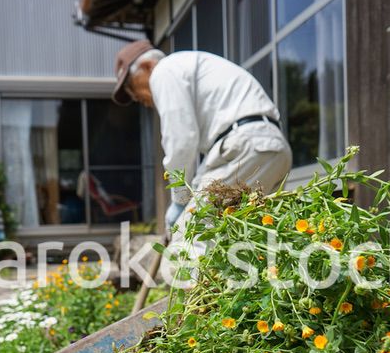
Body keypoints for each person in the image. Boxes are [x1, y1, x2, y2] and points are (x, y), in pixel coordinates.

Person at [112, 40, 292, 235]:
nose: (143, 101)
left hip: (245, 145)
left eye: (135, 90)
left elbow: (180, 142)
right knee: (247, 237)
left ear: (147, 66)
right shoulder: (190, 66)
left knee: (192, 234)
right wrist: (190, 194)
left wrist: (180, 201)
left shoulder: (164, 71)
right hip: (273, 148)